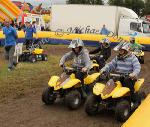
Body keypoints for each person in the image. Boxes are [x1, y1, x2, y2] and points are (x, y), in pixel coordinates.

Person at [101, 42, 141, 107]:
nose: (119, 52)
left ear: (126, 50)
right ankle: (109, 98)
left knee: (126, 81)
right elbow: (111, 65)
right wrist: (104, 69)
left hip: (130, 77)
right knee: (110, 80)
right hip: (119, 75)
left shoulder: (133, 58)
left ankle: (134, 101)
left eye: (121, 50)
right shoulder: (117, 58)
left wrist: (133, 74)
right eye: (119, 50)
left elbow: (137, 67)